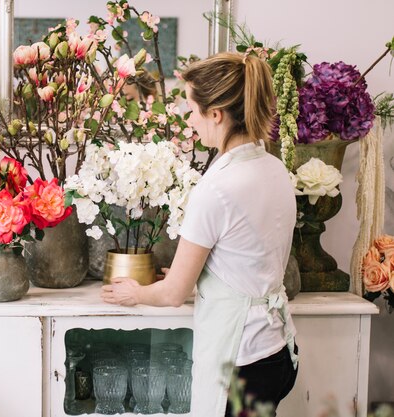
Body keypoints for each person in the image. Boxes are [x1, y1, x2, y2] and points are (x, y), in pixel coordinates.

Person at [101, 52, 299, 417]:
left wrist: (137, 292)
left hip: (241, 362)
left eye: (192, 109)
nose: (190, 120)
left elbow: (173, 293)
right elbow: (248, 255)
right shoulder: (274, 169)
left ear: (216, 114)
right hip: (278, 351)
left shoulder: (217, 188)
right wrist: (201, 280)